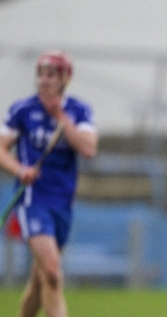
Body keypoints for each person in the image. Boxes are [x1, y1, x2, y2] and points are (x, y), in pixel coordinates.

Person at [0, 50, 98, 317]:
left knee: (41, 278)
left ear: (65, 78)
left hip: (62, 203)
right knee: (53, 272)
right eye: (41, 74)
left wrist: (60, 119)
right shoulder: (23, 110)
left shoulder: (79, 111)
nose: (44, 80)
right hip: (33, 200)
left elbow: (88, 148)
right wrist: (20, 169)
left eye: (51, 74)